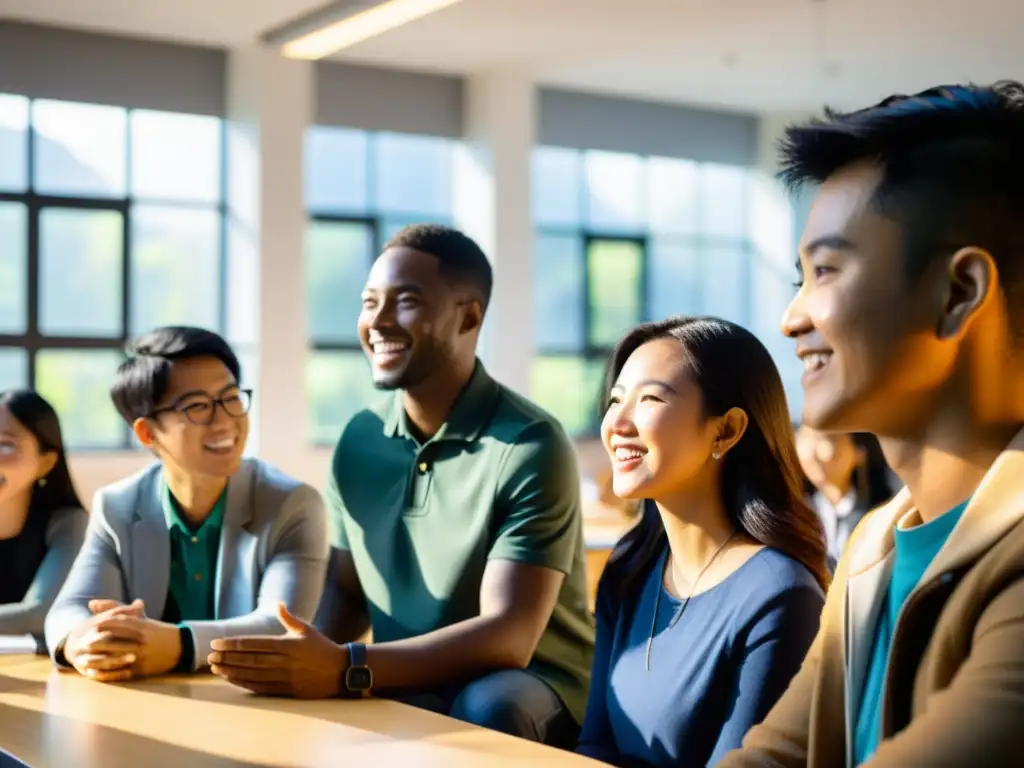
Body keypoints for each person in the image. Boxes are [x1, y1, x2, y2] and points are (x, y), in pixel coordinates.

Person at [719, 81, 1024, 768]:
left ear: (959, 292)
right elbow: (775, 755)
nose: (791, 319)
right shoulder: (873, 544)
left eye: (825, 270)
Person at [209, 224, 595, 748]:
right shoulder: (360, 438)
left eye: (406, 301)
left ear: (470, 316)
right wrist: (299, 655)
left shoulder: (530, 443)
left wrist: (348, 666)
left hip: (530, 685)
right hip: (402, 673)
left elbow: (509, 637)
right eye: (370, 302)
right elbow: (346, 590)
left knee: (488, 703)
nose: (379, 322)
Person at [575, 317, 828, 767]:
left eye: (650, 398)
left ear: (726, 430)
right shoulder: (631, 565)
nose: (618, 423)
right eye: (616, 400)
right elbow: (595, 744)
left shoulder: (779, 596)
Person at [44, 326, 328, 682]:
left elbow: (283, 626)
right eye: (197, 406)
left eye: (231, 398)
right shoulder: (117, 506)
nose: (224, 420)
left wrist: (178, 644)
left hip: (256, 705)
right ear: (148, 433)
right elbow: (67, 610)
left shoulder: (292, 505)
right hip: (151, 705)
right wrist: (81, 642)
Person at [0, 390, 86, 644]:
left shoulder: (68, 523)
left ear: (45, 462)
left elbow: (40, 613)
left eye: (5, 444)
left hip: (45, 673)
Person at [795, 426, 896, 567]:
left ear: (859, 452)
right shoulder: (796, 515)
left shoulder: (882, 515)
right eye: (804, 438)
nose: (811, 451)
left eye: (827, 439)